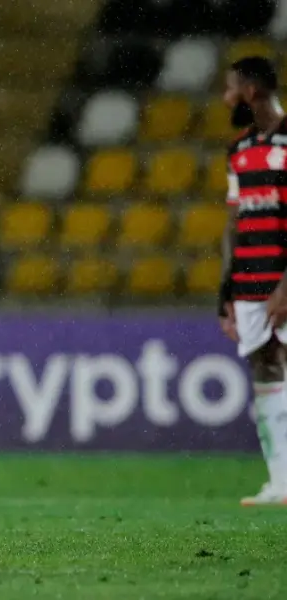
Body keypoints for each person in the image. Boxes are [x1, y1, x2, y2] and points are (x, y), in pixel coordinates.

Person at [218, 56, 287, 506]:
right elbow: (234, 223)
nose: (226, 99)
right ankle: (281, 481)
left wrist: (286, 287)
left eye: (230, 89)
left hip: (283, 277)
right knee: (265, 369)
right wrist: (225, 292)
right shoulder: (238, 149)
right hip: (249, 281)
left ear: (251, 91)